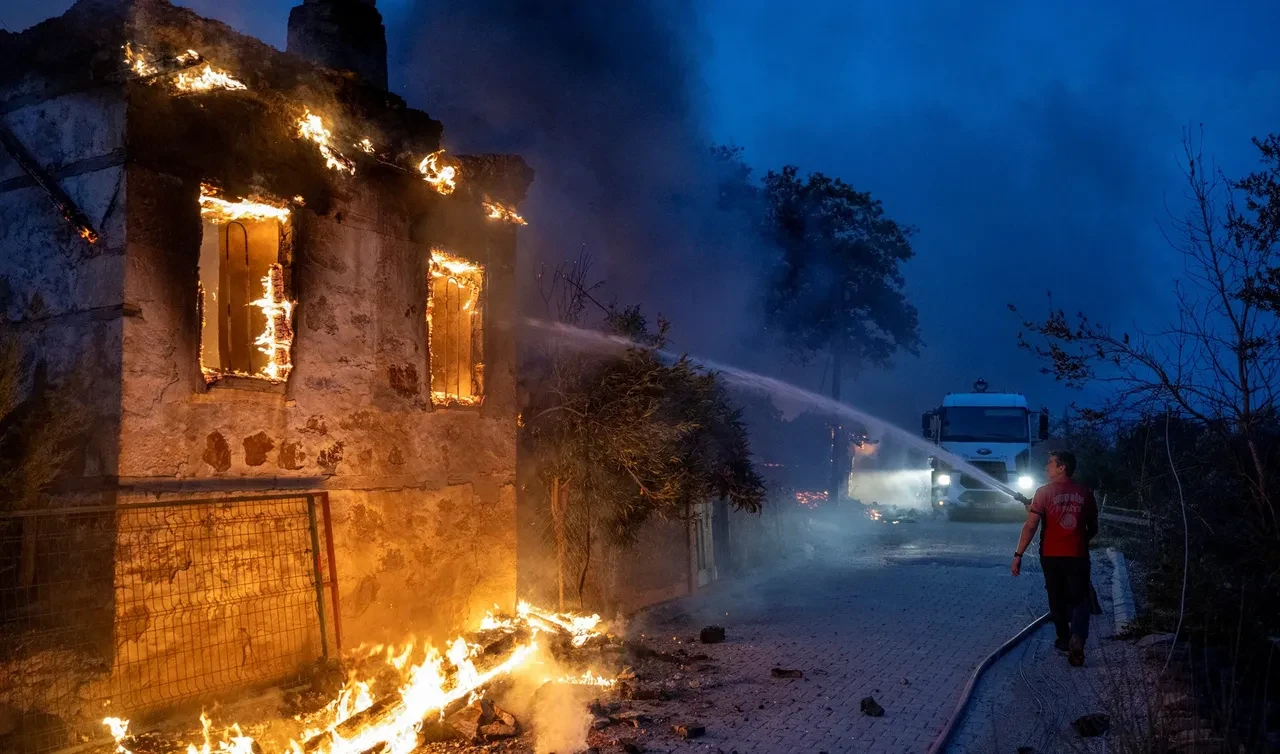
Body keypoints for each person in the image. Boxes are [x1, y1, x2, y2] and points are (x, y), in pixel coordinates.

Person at [1011, 450, 1099, 667]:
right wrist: (1080, 539)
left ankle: (1063, 639)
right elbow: (1093, 526)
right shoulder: (1085, 492)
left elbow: (1031, 526)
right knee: (1080, 599)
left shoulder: (1043, 492)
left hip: (1051, 556)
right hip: (1077, 555)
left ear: (1062, 467)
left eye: (1051, 463)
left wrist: (1018, 554)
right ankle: (1078, 637)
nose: (1046, 466)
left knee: (1056, 598)